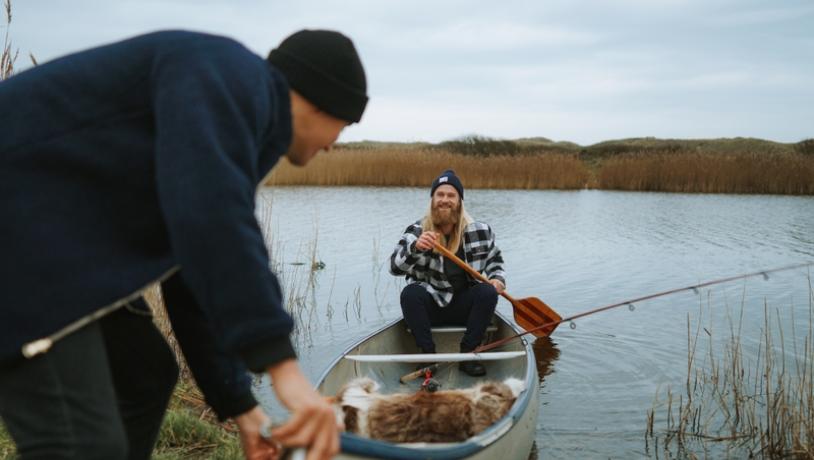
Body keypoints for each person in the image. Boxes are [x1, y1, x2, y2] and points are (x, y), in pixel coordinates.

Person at [0, 28, 368, 460]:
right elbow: (213, 214)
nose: (335, 143)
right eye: (344, 124)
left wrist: (241, 405)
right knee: (83, 445)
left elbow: (193, 264)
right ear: (319, 99)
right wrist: (283, 367)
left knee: (144, 375)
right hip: (20, 233)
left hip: (49, 236)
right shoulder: (226, 75)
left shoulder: (233, 120)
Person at [389, 170, 506, 377]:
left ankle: (468, 356)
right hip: (430, 307)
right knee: (410, 294)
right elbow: (394, 268)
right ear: (432, 199)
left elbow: (495, 262)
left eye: (451, 195)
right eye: (440, 195)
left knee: (487, 292)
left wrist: (497, 279)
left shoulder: (480, 230)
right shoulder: (416, 230)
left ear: (460, 201)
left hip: (465, 308)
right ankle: (428, 357)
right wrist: (415, 248)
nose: (445, 200)